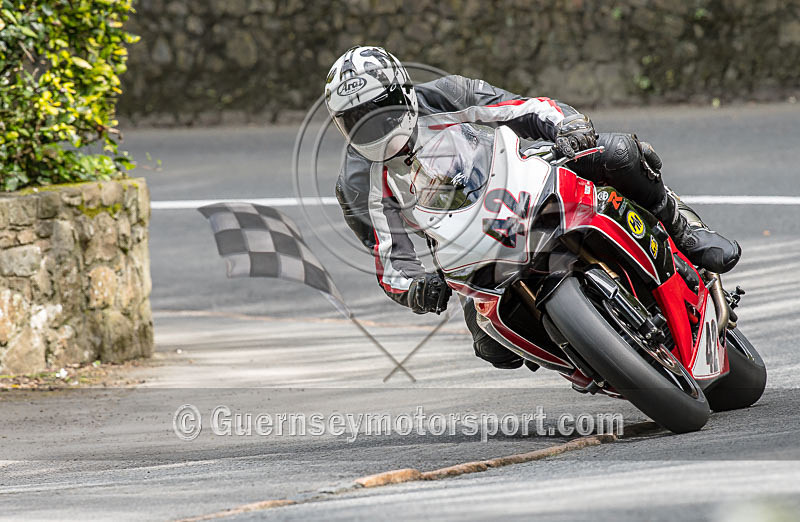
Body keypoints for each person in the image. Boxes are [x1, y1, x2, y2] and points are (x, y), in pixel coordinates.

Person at [325, 46, 741, 370]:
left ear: (403, 92)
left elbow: (526, 107)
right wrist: (417, 289)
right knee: (491, 345)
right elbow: (391, 261)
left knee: (619, 154)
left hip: (521, 177)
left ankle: (683, 229)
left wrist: (568, 126)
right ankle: (587, 355)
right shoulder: (357, 184)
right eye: (356, 120)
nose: (373, 127)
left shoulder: (444, 96)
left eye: (380, 111)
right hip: (464, 248)